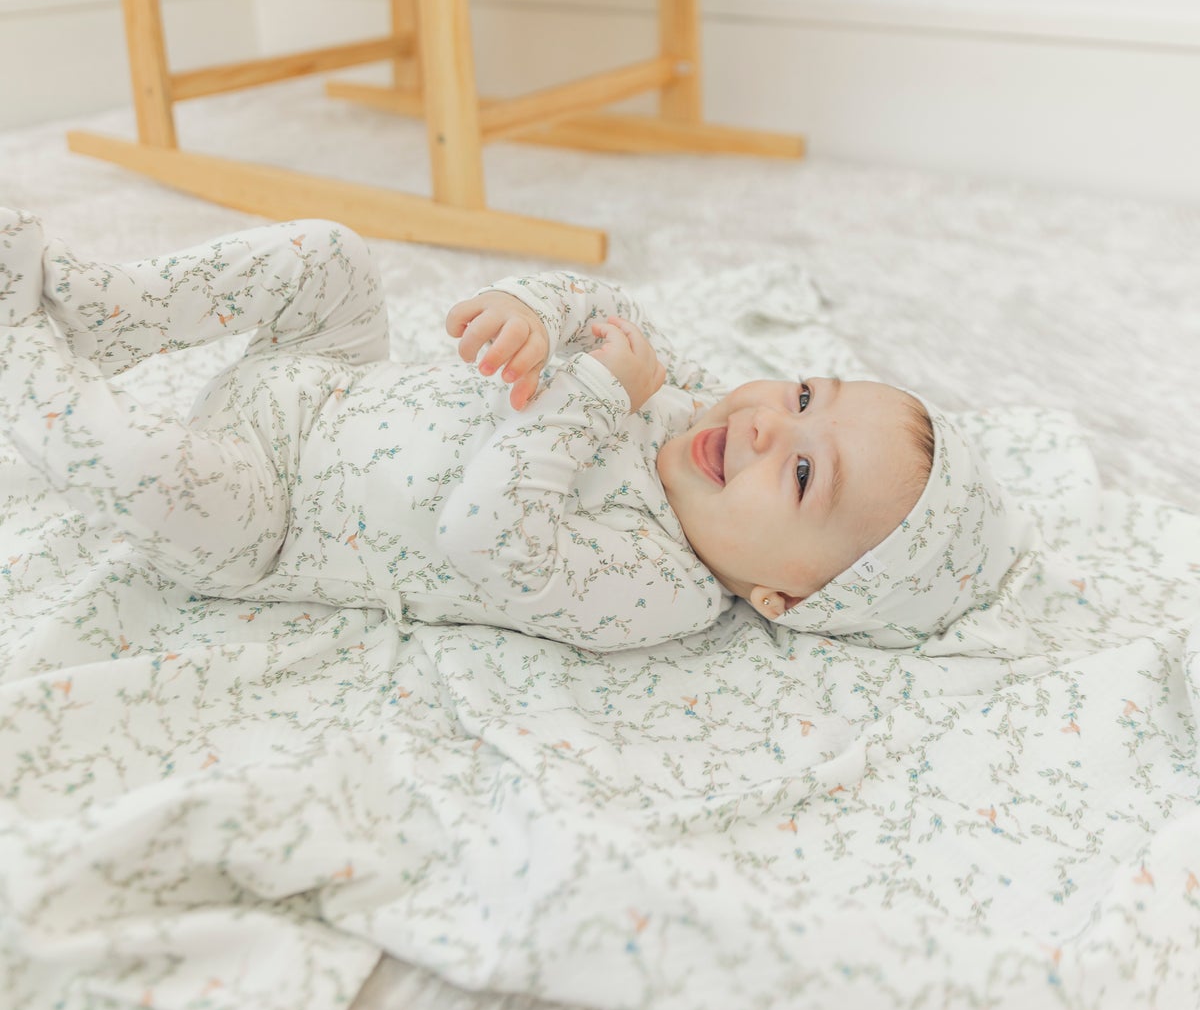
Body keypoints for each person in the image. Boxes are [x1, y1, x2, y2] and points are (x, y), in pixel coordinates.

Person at [0, 210, 1024, 653]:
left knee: (144, 468)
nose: (763, 426)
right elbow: (603, 311)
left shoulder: (658, 591)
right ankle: (108, 310)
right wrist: (533, 313)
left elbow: (484, 535)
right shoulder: (683, 402)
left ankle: (23, 356)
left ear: (783, 596)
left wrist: (595, 398)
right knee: (329, 255)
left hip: (268, 517)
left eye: (801, 476)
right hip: (328, 383)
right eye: (801, 394)